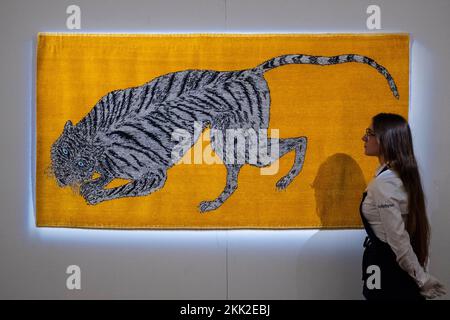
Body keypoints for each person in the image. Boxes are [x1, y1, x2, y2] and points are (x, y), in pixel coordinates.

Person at [360, 113, 446, 300]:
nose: (364, 138)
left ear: (384, 139)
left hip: (388, 269)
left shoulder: (384, 184)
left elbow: (398, 238)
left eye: (369, 133)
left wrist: (422, 279)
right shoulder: (397, 177)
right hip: (384, 267)